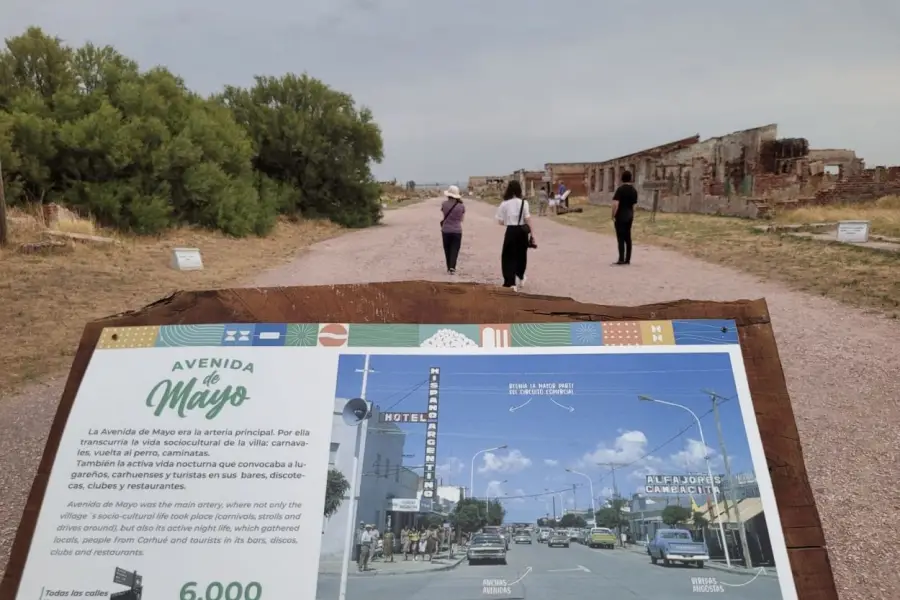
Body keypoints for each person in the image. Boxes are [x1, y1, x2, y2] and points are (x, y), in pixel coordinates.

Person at [495, 180, 535, 291]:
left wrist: (508, 221)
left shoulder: (504, 204)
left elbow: (500, 221)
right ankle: (521, 276)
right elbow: (528, 219)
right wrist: (532, 235)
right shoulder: (524, 203)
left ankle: (510, 282)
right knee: (521, 255)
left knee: (508, 256)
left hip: (511, 230)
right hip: (522, 231)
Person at [611, 170, 638, 265]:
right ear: (631, 178)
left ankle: (621, 258)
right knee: (628, 237)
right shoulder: (634, 191)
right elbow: (634, 206)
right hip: (629, 215)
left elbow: (616, 204)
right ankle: (628, 259)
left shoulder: (620, 190)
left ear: (622, 178)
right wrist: (632, 214)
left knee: (621, 238)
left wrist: (613, 215)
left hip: (620, 216)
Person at [439, 185, 465, 274]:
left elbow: (444, 213)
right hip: (457, 230)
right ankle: (452, 267)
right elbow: (462, 219)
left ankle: (448, 266)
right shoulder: (461, 206)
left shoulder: (444, 204)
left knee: (447, 249)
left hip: (446, 230)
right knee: (455, 249)